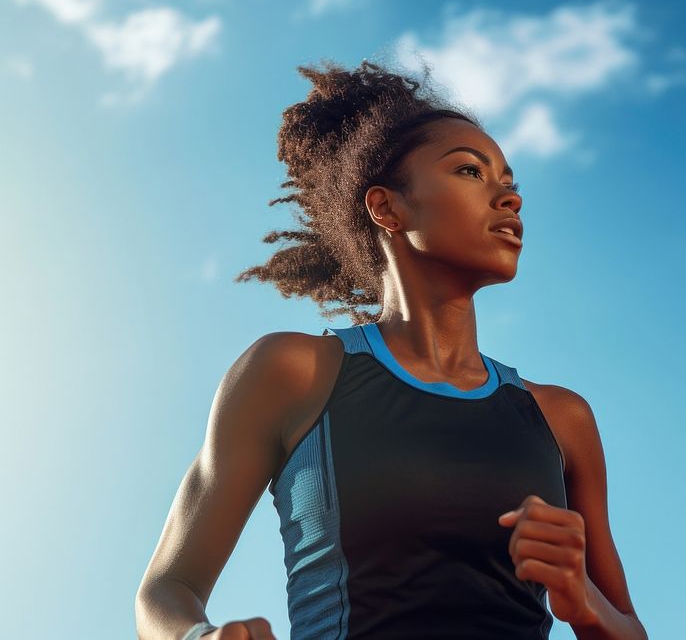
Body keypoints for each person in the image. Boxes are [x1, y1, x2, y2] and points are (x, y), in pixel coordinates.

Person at [134, 58, 647, 640]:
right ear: (387, 208)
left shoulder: (563, 419)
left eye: (510, 184)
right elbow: (166, 589)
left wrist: (583, 602)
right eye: (471, 172)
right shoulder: (292, 374)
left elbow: (628, 628)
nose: (509, 200)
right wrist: (196, 638)